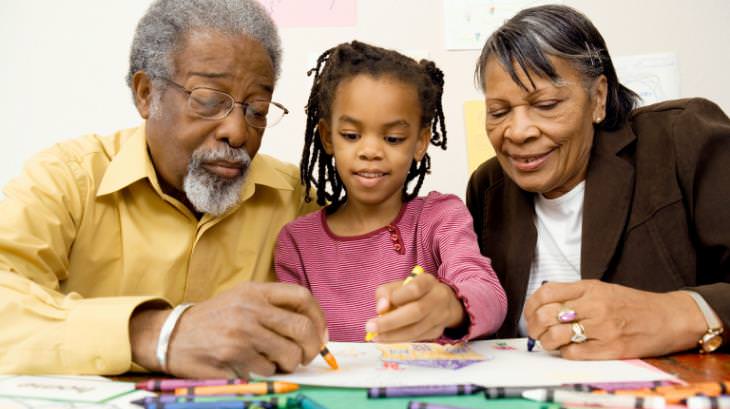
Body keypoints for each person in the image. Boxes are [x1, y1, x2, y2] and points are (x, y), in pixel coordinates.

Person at [0, 0, 328, 378]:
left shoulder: (296, 199)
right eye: (208, 100)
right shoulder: (67, 180)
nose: (238, 132)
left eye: (257, 110)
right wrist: (159, 333)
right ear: (145, 93)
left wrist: (408, 311)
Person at [466, 4, 729, 359]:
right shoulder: (488, 188)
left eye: (546, 104)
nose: (518, 132)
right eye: (499, 112)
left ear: (598, 98)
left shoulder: (683, 138)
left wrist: (672, 315)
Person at [275, 41, 507, 343]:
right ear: (327, 137)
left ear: (421, 142)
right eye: (351, 135)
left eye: (394, 138)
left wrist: (450, 304)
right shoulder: (297, 242)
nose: (370, 151)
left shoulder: (439, 217)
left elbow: (488, 293)